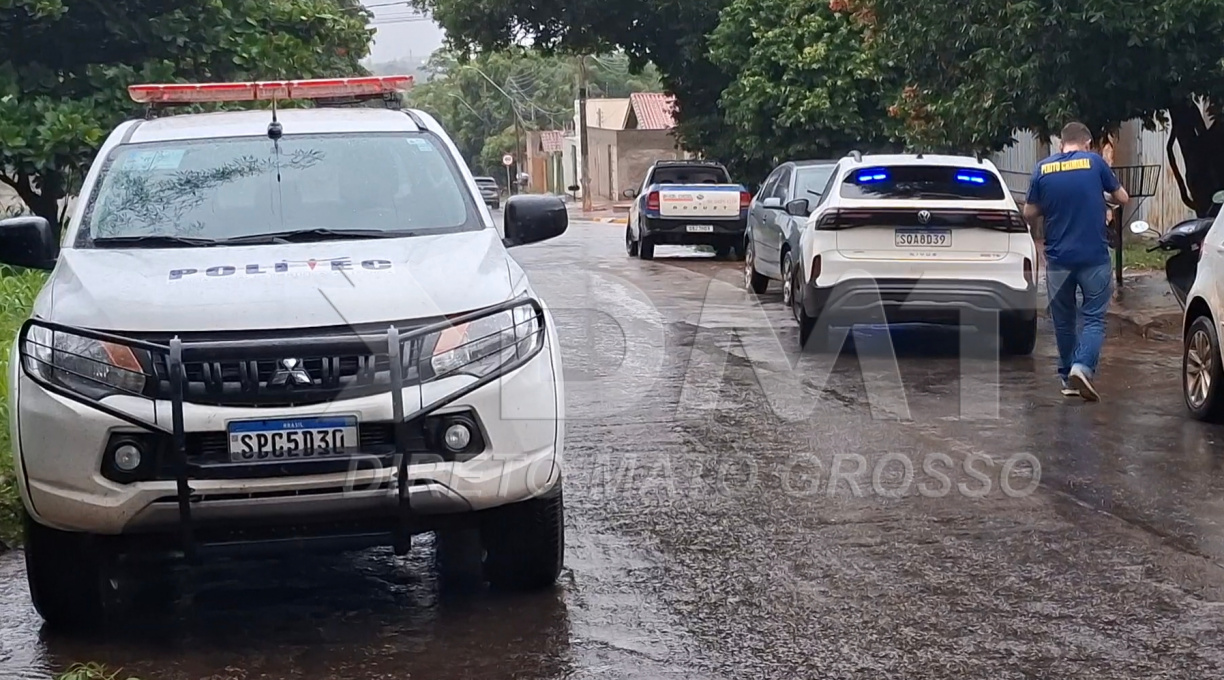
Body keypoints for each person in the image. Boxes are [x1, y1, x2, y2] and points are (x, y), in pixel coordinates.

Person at [1023, 121, 1129, 401]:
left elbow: (1029, 212)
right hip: (1093, 255)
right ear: (1087, 143)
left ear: (1061, 144)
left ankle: (1068, 377)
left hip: (1058, 259)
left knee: (1064, 321)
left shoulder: (1043, 168)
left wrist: (1053, 202)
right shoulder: (1094, 162)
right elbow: (1123, 197)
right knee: (1094, 318)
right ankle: (1082, 367)